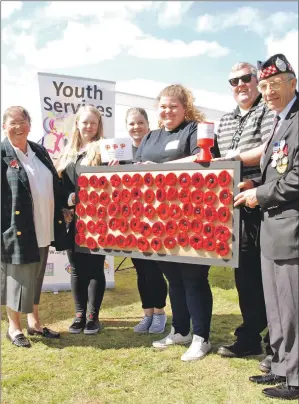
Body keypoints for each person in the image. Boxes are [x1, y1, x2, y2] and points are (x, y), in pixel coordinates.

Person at [235, 54, 299, 400]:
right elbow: (277, 168)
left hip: (290, 228)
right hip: (274, 227)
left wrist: (260, 193)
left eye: (276, 84)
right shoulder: (280, 119)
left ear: (292, 82)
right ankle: (279, 364)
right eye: (265, 86)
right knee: (275, 304)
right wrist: (253, 185)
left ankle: (297, 376)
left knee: (292, 306)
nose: (270, 92)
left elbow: (297, 178)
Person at [133, 84, 213, 362]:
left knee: (194, 279)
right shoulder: (150, 137)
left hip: (190, 218)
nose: (167, 111)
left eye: (174, 106)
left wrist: (160, 169)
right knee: (173, 278)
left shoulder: (194, 130)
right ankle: (181, 330)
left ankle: (202, 337)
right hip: (159, 221)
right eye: (163, 106)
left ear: (185, 106)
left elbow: (204, 159)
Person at [213, 62, 275, 367]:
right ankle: (249, 336)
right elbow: (212, 159)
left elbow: (270, 149)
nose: (240, 84)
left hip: (265, 199)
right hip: (236, 205)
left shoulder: (268, 110)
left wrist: (235, 157)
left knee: (271, 277)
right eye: (233, 80)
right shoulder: (223, 120)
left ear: (257, 79)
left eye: (245, 78)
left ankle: (274, 344)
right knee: (245, 276)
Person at [1, 106, 69, 347]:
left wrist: (65, 205)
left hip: (43, 225)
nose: (18, 127)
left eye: (23, 121)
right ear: (4, 126)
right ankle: (14, 327)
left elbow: (54, 182)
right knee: (17, 279)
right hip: (16, 229)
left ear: (30, 124)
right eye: (12, 122)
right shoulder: (2, 153)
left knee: (37, 277)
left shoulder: (39, 150)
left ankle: (34, 323)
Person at [56, 105, 111, 335]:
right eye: (85, 122)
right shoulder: (67, 151)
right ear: (77, 124)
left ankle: (92, 317)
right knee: (77, 269)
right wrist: (67, 198)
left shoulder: (104, 150)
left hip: (98, 219)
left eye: (94, 123)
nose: (89, 126)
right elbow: (58, 184)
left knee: (96, 268)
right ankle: (79, 315)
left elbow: (110, 185)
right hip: (72, 220)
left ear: (99, 126)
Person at [125, 107, 168, 333]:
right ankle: (147, 313)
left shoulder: (155, 149)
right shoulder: (122, 153)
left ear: (148, 125)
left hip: (155, 220)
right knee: (140, 269)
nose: (136, 127)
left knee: (154, 268)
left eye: (140, 122)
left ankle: (160, 313)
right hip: (131, 222)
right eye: (132, 123)